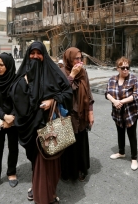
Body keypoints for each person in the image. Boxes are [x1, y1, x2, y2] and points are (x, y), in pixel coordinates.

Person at [10, 41, 72, 204]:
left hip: (48, 126)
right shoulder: (23, 73)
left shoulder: (53, 72)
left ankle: (47, 191)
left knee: (48, 162)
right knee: (36, 160)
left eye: (39, 53)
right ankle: (38, 187)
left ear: (44, 54)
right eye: (32, 53)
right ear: (28, 54)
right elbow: (15, 96)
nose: (35, 56)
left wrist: (53, 99)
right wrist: (24, 82)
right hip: (30, 126)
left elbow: (67, 92)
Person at [60, 47, 94, 182]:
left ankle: (81, 168)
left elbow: (88, 92)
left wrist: (90, 112)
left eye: (81, 58)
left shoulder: (83, 72)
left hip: (81, 113)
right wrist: (72, 76)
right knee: (68, 144)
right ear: (69, 59)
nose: (79, 61)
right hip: (68, 114)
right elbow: (61, 93)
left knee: (81, 142)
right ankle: (68, 172)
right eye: (76, 58)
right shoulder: (61, 72)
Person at [0, 53, 19, 195]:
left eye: (2, 65)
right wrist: (4, 117)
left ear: (9, 65)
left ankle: (11, 172)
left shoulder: (17, 82)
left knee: (13, 147)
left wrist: (11, 117)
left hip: (13, 120)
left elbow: (19, 101)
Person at [105, 57, 138, 171]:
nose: (125, 70)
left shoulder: (133, 79)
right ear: (118, 68)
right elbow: (107, 93)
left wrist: (121, 101)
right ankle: (121, 152)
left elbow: (136, 95)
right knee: (120, 132)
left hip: (130, 112)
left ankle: (134, 158)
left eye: (127, 67)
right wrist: (114, 101)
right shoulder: (112, 79)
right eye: (123, 68)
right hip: (117, 112)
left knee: (131, 134)